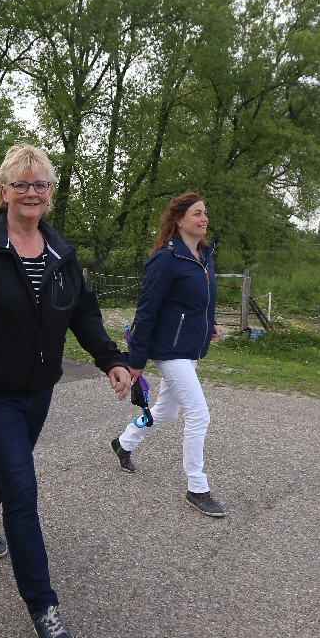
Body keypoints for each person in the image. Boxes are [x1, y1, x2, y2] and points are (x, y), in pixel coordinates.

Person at [0, 143, 131, 638]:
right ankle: (43, 606)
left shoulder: (60, 252)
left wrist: (111, 359)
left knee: (11, 464)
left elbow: (83, 314)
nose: (31, 192)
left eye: (40, 184)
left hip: (39, 390)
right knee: (22, 489)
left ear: (50, 192)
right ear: (3, 192)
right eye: (20, 184)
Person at [108, 192, 226, 518]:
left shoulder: (203, 256)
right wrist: (135, 361)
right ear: (179, 220)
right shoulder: (166, 258)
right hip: (170, 350)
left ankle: (125, 442)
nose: (204, 218)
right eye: (197, 213)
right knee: (199, 414)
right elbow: (147, 310)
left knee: (168, 410)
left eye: (205, 213)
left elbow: (202, 301)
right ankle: (197, 487)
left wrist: (210, 324)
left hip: (189, 347)